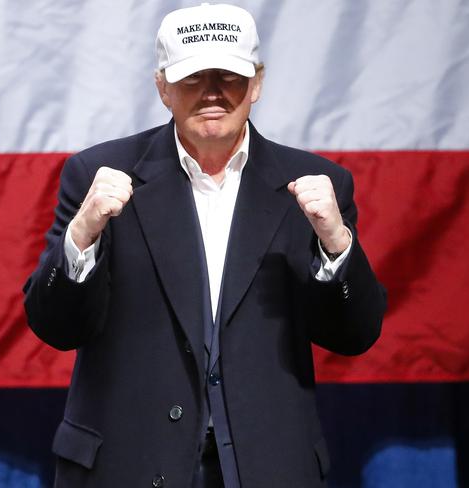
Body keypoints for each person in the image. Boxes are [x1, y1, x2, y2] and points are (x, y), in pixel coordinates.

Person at [24, 3, 386, 487]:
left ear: (256, 83)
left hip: (267, 469)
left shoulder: (318, 187)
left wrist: (337, 245)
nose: (213, 93)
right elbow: (56, 327)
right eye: (193, 77)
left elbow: (354, 335)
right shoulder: (99, 176)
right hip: (127, 467)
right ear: (162, 88)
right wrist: (81, 235)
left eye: (229, 76)